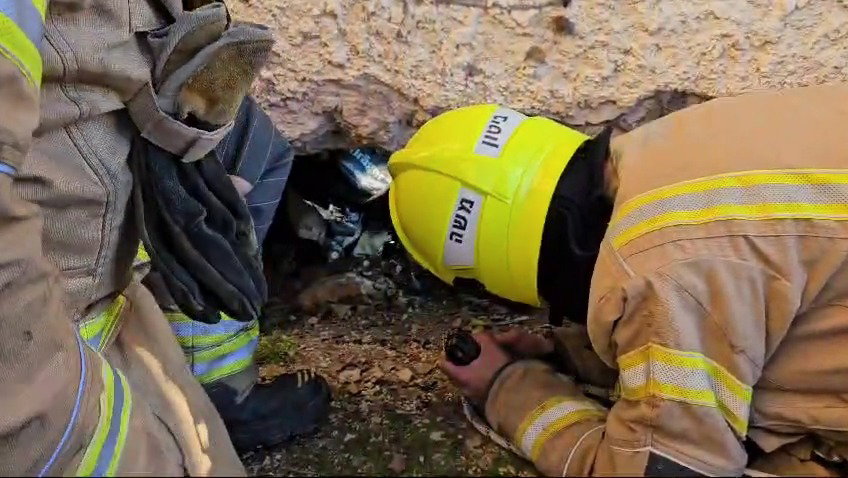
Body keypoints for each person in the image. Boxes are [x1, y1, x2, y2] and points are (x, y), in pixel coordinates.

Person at [388, 86, 848, 476]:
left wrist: (508, 387)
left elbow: (667, 467)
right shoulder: (667, 148)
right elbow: (746, 282)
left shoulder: (649, 272)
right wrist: (580, 355)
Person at [0, 0, 327, 474]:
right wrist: (62, 438)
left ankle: (218, 381)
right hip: (59, 362)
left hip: (110, 287)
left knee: (255, 150)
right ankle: (219, 384)